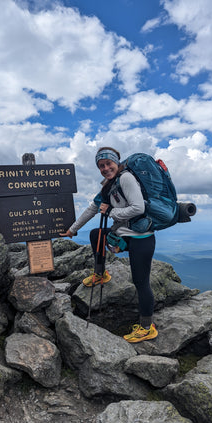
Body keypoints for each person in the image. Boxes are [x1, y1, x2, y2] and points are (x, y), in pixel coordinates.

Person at [60, 146, 158, 343]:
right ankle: (100, 273)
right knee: (97, 234)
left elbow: (138, 207)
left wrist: (111, 212)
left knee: (141, 282)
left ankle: (147, 327)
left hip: (141, 238)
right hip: (124, 234)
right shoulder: (109, 186)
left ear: (117, 163)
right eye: (101, 165)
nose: (105, 168)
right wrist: (72, 229)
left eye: (108, 164)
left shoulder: (126, 178)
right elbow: (92, 209)